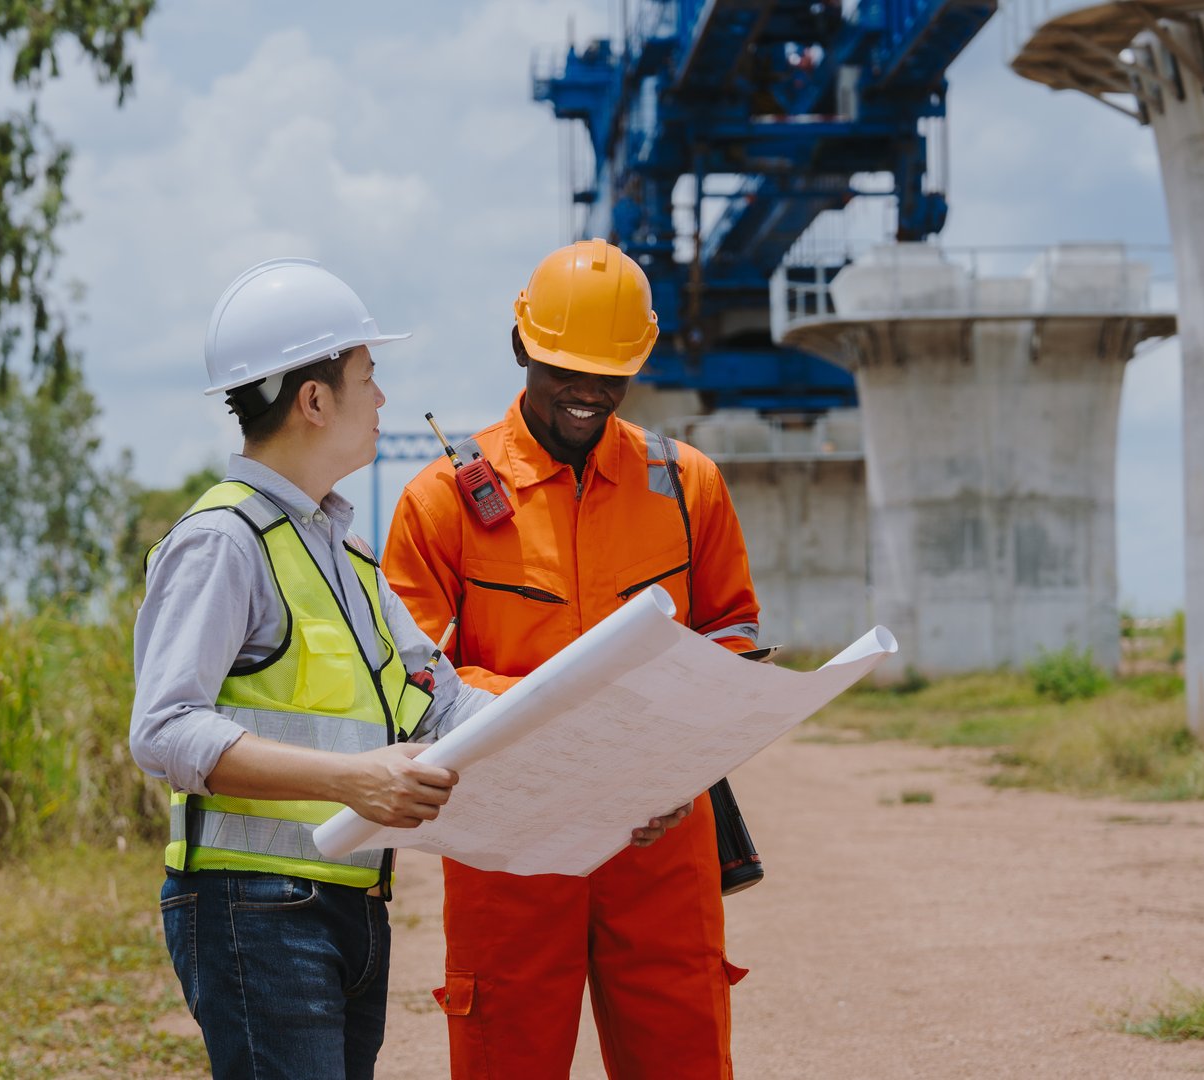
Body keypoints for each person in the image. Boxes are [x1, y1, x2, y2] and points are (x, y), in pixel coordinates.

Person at [383, 238, 762, 1079]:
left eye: (610, 371)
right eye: (565, 368)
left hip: (659, 833)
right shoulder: (443, 501)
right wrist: (546, 729)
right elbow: (409, 677)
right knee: (505, 1056)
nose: (588, 391)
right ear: (521, 346)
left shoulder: (687, 484)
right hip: (512, 839)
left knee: (683, 1056)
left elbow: (731, 631)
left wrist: (679, 756)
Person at [129, 257, 493, 1080]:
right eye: (369, 376)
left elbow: (448, 709)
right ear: (315, 399)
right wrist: (348, 780)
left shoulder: (346, 556)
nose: (382, 400)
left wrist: (607, 749)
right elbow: (161, 730)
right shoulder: (223, 541)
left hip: (347, 902)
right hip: (254, 909)